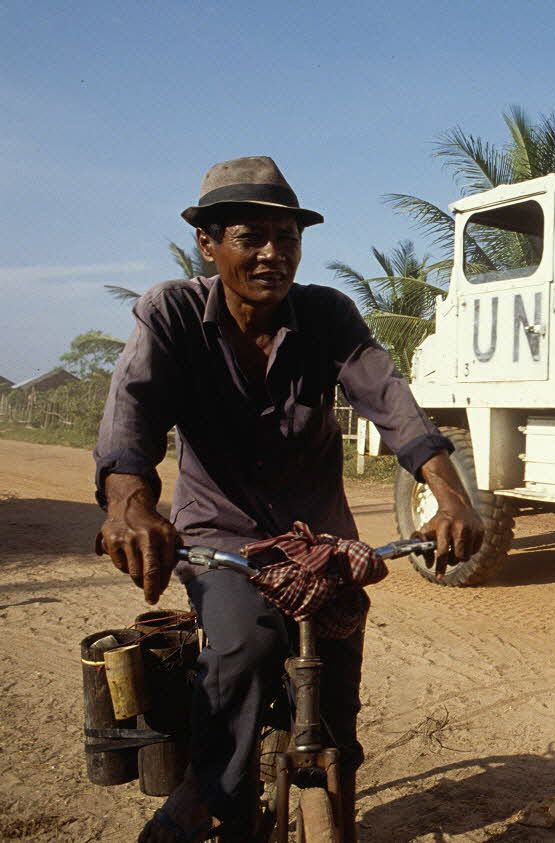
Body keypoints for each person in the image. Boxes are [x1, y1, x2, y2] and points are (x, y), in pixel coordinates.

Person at [94, 156, 484, 842]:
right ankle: (206, 792)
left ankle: (341, 803)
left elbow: (396, 407)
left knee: (337, 688)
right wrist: (129, 505)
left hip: (323, 541)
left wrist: (450, 497)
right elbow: (133, 411)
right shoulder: (173, 312)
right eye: (253, 237)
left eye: (289, 237)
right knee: (242, 644)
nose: (275, 253)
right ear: (208, 245)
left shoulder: (328, 315)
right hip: (222, 538)